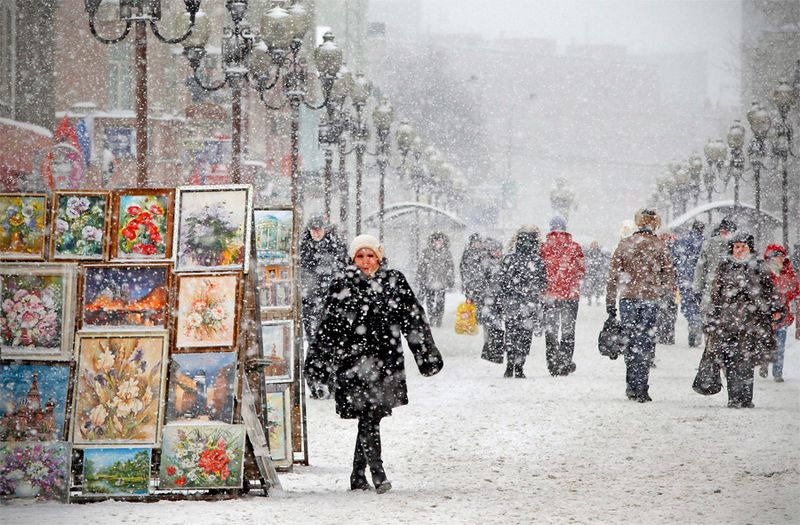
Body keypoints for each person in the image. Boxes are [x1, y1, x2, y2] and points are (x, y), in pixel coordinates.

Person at [304, 234, 444, 493]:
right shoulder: (342, 284)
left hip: (385, 361)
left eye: (370, 256)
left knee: (372, 415)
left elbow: (413, 319)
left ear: (379, 256)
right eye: (360, 256)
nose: (365, 262)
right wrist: (319, 363)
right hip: (354, 363)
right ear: (352, 258)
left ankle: (358, 475)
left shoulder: (394, 281)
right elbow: (328, 327)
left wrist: (426, 354)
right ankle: (378, 473)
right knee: (368, 415)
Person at [705, 232, 782, 408]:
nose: (740, 250)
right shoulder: (724, 266)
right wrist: (713, 316)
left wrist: (776, 309)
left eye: (744, 247)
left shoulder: (758, 267)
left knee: (746, 360)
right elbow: (716, 294)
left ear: (750, 248)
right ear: (732, 249)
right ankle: (734, 397)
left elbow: (769, 291)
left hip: (751, 322)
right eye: (737, 247)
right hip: (728, 322)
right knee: (731, 359)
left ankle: (746, 397)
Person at [606, 209, 675, 402]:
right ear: (655, 224)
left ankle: (631, 384)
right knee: (645, 341)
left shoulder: (625, 244)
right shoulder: (660, 246)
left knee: (630, 340)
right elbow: (669, 275)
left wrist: (610, 303)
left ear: (638, 223)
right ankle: (642, 386)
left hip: (628, 298)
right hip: (650, 298)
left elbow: (613, 277)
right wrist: (661, 290)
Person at [299, 213, 349, 398]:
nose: (317, 233)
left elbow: (343, 269)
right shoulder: (304, 246)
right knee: (314, 343)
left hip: (329, 302)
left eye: (319, 229)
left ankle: (331, 382)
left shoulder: (335, 245)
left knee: (332, 343)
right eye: (314, 230)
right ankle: (317, 383)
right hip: (311, 302)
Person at [498, 228, 547, 378]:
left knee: (511, 333)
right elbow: (543, 283)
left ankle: (510, 364)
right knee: (525, 335)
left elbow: (501, 281)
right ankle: (519, 366)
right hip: (529, 303)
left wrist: (507, 295)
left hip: (512, 303)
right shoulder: (537, 261)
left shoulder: (509, 259)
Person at [540, 216, 585, 376]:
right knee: (568, 330)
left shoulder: (543, 248)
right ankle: (565, 362)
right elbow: (582, 271)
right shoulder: (575, 247)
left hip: (549, 295)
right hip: (570, 295)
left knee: (551, 330)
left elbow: (539, 272)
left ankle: (553, 363)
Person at [759, 244, 800, 382]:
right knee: (765, 343)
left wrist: (784, 295)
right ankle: (764, 363)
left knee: (780, 346)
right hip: (766, 316)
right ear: (771, 258)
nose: (781, 259)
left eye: (782, 256)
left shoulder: (787, 272)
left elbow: (795, 290)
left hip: (782, 315)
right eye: (778, 256)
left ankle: (777, 373)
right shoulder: (763, 273)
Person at [694, 216, 737, 319]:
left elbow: (700, 268)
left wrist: (698, 290)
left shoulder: (709, 244)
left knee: (711, 324)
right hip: (732, 294)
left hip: (711, 291)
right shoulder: (739, 245)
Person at [672, 221, 705, 346]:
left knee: (687, 304)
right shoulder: (706, 242)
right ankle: (698, 322)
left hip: (685, 277)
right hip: (701, 279)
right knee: (700, 303)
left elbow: (674, 259)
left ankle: (693, 322)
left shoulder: (682, 241)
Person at [475, 237, 505, 363]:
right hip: (488, 299)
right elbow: (480, 282)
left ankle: (494, 350)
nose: (497, 252)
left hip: (500, 299)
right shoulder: (485, 264)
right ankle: (491, 350)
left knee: (496, 325)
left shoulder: (504, 263)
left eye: (499, 250)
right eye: (494, 250)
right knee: (492, 325)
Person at [417, 231, 455, 327]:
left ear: (443, 242)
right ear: (432, 242)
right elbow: (421, 267)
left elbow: (450, 267)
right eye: (435, 240)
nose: (437, 243)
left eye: (440, 241)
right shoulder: (426, 252)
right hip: (429, 281)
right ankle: (431, 317)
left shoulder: (446, 253)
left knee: (440, 302)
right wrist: (421, 278)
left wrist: (450, 279)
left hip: (442, 281)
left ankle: (438, 319)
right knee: (430, 301)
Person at [655, 230, 679, 346]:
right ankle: (662, 334)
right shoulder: (657, 249)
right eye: (662, 236)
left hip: (670, 284)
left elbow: (679, 266)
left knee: (671, 310)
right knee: (663, 310)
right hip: (662, 284)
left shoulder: (674, 248)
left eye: (666, 236)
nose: (664, 238)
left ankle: (668, 335)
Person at [460, 233, 484, 303]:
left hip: (480, 282)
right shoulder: (467, 252)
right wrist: (464, 281)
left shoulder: (482, 252)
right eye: (475, 242)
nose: (477, 244)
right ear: (471, 243)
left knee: (480, 301)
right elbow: (463, 267)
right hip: (470, 282)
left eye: (478, 242)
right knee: (470, 300)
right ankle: (471, 312)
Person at [583, 241, 609, 306]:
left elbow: (604, 261)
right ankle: (589, 300)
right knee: (590, 287)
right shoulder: (588, 252)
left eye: (595, 244)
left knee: (598, 287)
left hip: (598, 273)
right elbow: (585, 261)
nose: (594, 246)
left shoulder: (600, 252)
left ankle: (597, 299)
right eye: (593, 244)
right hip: (590, 273)